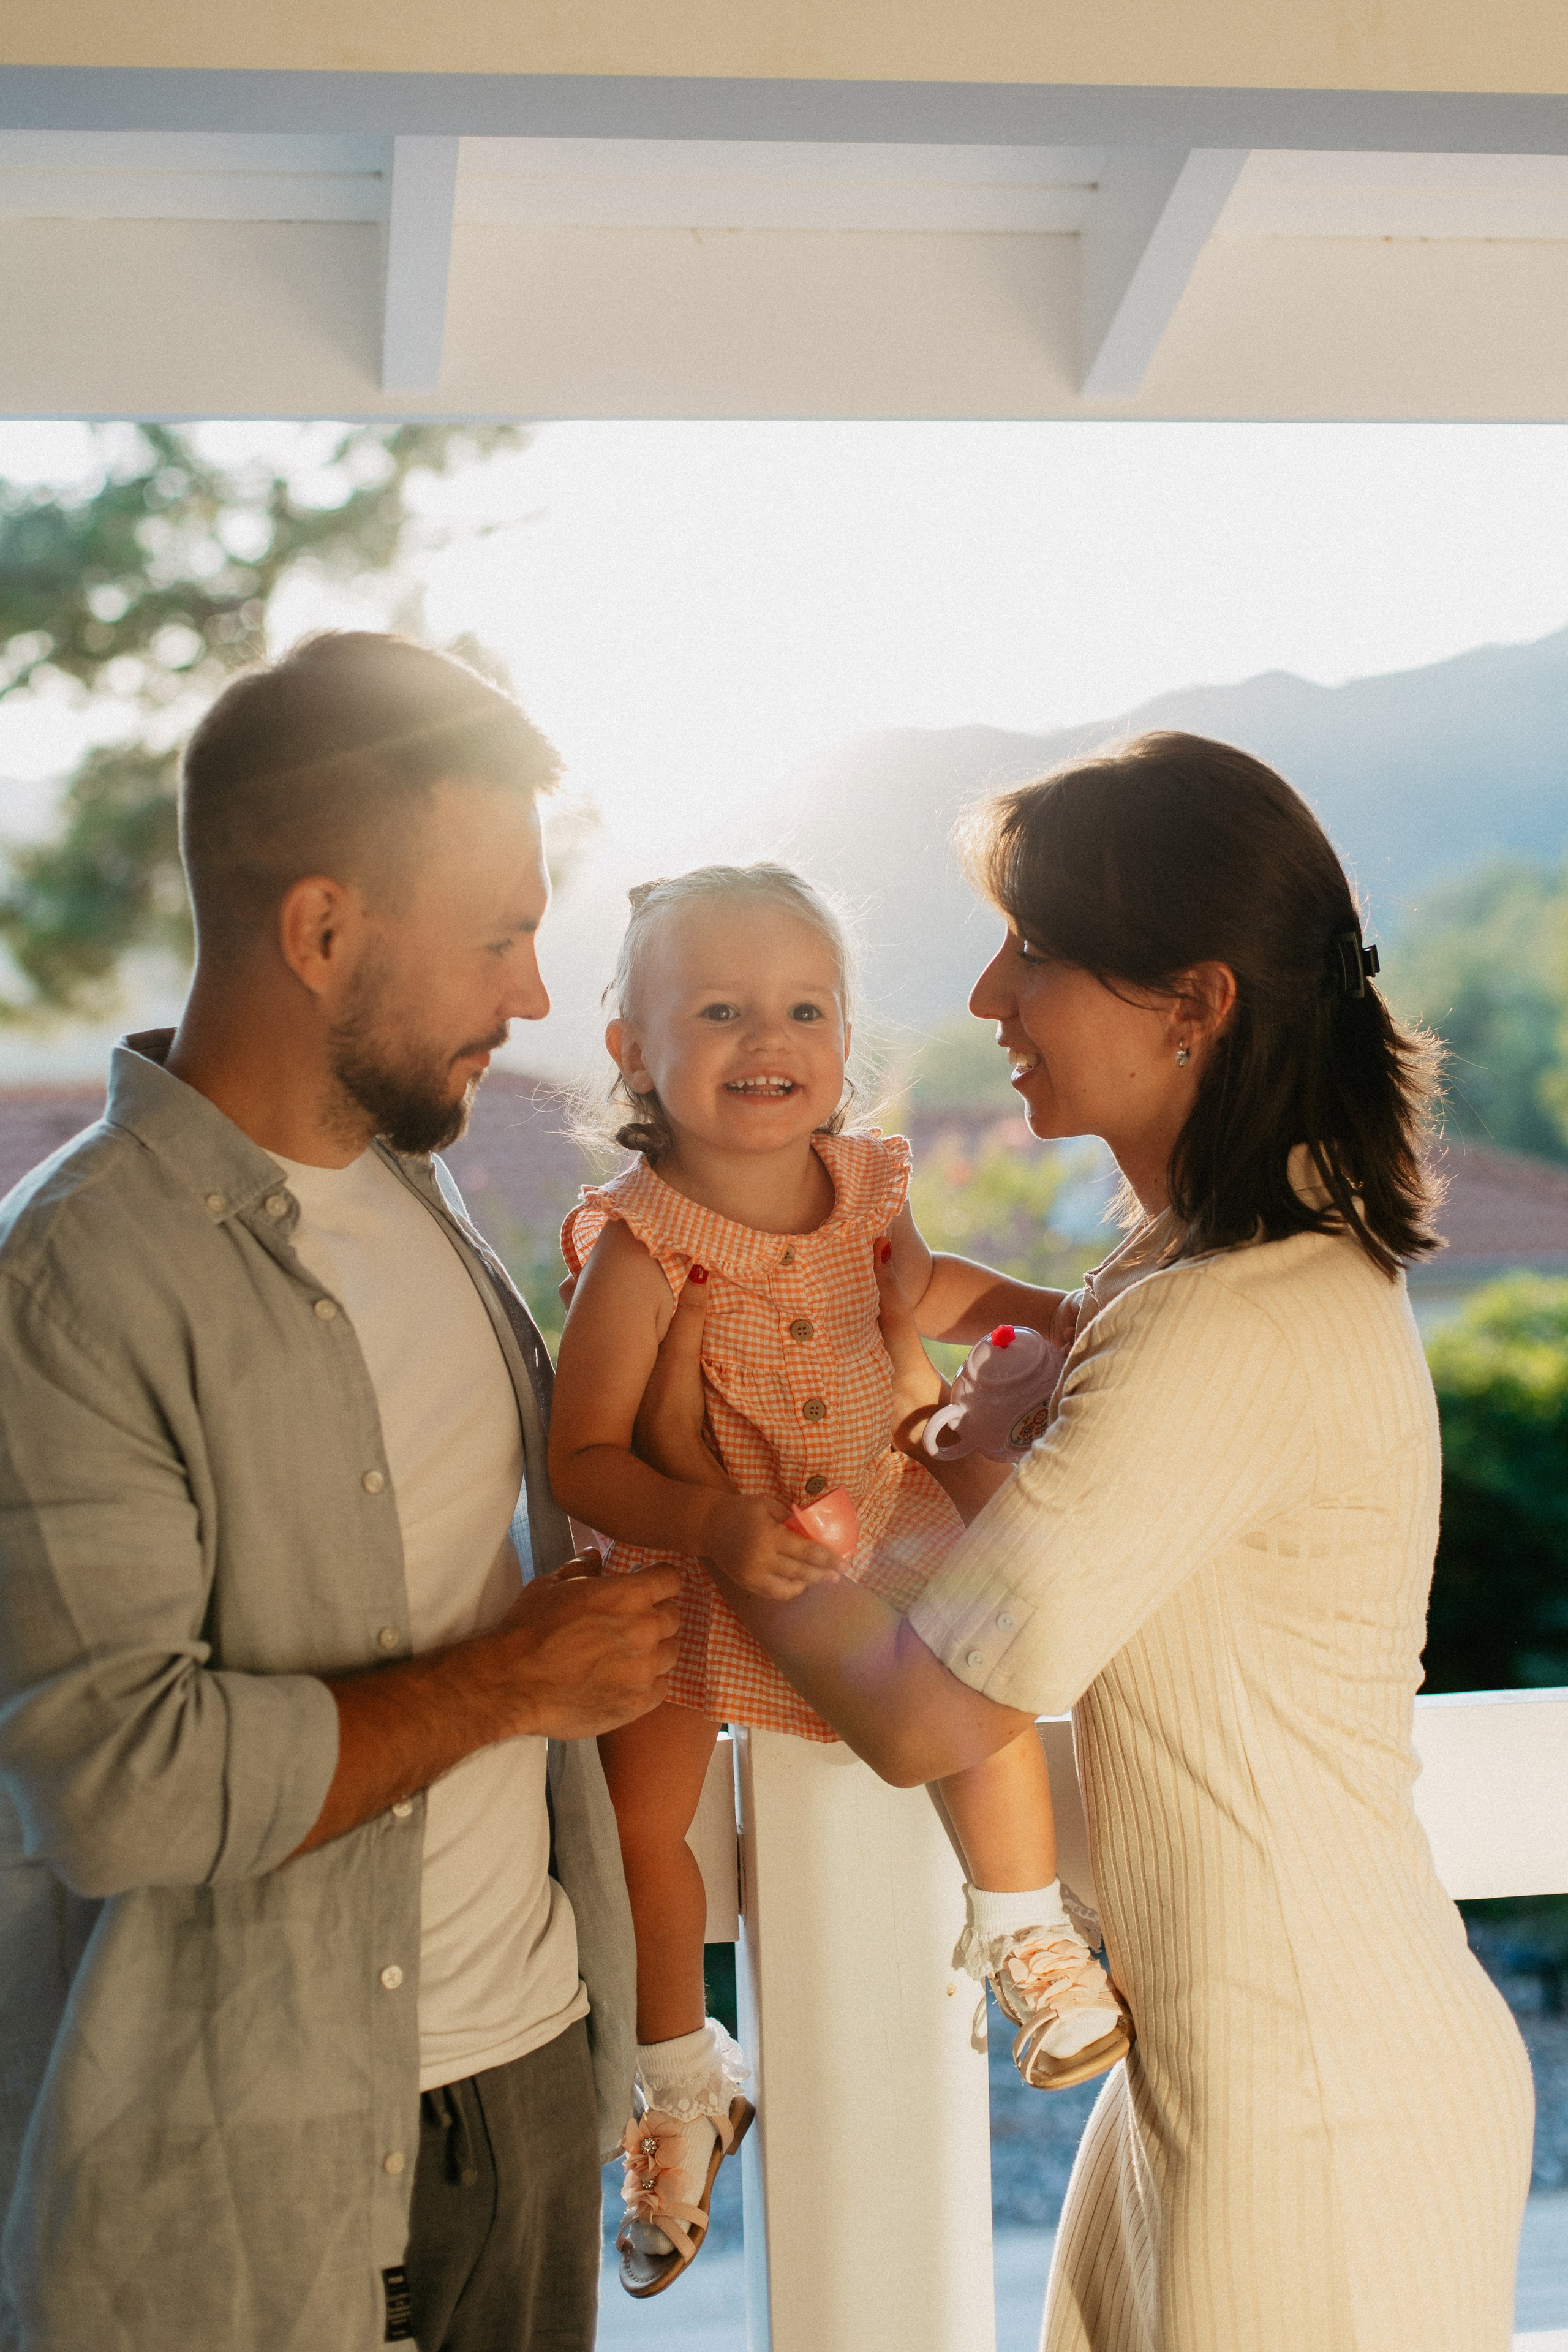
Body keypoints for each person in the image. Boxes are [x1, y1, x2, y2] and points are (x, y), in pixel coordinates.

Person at [631, 735, 1535, 2352]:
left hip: (1312, 2092)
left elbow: (925, 1708)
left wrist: (726, 1514)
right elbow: (1149, 1601)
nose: (989, 996)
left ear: (1192, 1004)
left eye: (1034, 950)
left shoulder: (1230, 1322)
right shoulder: (1200, 1274)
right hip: (1215, 2060)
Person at [0, 632, 681, 2352]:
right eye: (498, 936)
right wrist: (519, 1682)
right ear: (320, 933)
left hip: (525, 2094)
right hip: (256, 2172)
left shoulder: (423, 1193)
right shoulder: (73, 1284)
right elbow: (118, 1788)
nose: (531, 993)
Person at [547, 863, 1126, 2297]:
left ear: (845, 1037)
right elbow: (583, 1456)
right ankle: (680, 2077)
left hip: (869, 1500)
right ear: (631, 1048)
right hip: (698, 1543)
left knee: (978, 1689)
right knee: (638, 1822)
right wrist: (702, 1518)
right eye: (720, 1010)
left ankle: (1023, 1933)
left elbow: (915, 1296)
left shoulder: (866, 1187)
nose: (769, 1041)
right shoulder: (641, 1244)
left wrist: (1049, 1311)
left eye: (804, 1009)